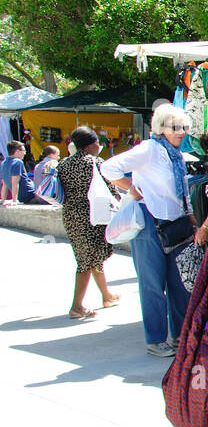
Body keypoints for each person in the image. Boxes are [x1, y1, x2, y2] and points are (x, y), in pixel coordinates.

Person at [101, 106, 196, 356]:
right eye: (175, 127)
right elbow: (109, 167)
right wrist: (131, 189)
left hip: (175, 223)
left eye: (183, 127)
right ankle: (156, 339)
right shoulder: (150, 149)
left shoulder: (175, 154)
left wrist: (191, 217)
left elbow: (179, 191)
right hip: (150, 221)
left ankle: (179, 335)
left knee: (179, 282)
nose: (181, 132)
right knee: (153, 283)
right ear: (161, 128)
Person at [56, 127, 120, 318]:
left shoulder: (64, 164)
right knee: (86, 261)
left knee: (91, 257)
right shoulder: (95, 163)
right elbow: (111, 189)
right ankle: (77, 307)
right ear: (91, 144)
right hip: (93, 216)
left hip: (71, 216)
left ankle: (106, 295)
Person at [2, 140, 50, 205]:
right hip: (28, 194)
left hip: (23, 195)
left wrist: (3, 200)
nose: (25, 153)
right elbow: (15, 183)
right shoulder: (17, 162)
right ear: (17, 151)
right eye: (24, 151)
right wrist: (14, 200)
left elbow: (4, 184)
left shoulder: (4, 163)